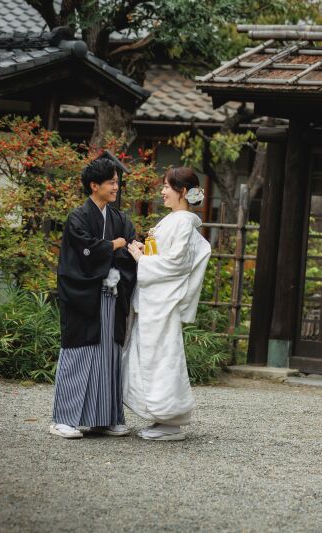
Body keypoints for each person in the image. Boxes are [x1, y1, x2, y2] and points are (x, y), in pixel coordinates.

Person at [49, 156, 137, 439]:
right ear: (94, 185)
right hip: (83, 296)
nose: (116, 187)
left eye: (117, 182)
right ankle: (63, 419)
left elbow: (129, 250)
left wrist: (113, 252)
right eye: (111, 182)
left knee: (109, 357)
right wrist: (112, 245)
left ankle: (106, 419)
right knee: (80, 354)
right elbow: (84, 252)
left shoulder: (120, 219)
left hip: (112, 295)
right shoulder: (78, 217)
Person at [122, 167, 211, 441]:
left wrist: (142, 259)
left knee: (163, 359)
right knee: (152, 358)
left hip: (163, 301)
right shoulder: (175, 219)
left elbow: (177, 263)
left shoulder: (182, 222)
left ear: (182, 191)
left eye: (167, 187)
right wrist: (145, 251)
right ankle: (163, 418)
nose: (162, 192)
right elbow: (167, 255)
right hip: (155, 299)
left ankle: (171, 421)